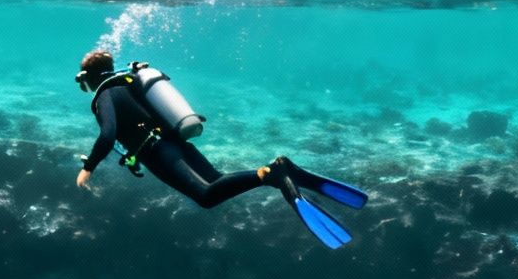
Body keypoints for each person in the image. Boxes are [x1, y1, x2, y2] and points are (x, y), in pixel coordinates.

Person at [72, 49, 367, 247]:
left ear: (87, 77)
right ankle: (280, 175)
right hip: (176, 142)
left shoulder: (104, 97)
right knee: (217, 181)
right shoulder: (129, 82)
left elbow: (108, 134)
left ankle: (274, 172)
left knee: (206, 196)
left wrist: (87, 169)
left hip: (159, 152)